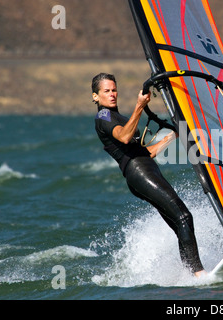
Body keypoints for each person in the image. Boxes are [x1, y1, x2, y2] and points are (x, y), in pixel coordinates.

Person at [92, 73, 205, 277]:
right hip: (139, 172)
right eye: (106, 91)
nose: (112, 95)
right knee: (184, 216)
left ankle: (191, 275)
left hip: (145, 168)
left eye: (114, 90)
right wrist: (139, 106)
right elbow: (125, 137)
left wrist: (173, 135)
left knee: (180, 224)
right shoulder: (103, 117)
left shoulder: (119, 117)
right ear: (95, 97)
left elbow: (147, 152)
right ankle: (199, 275)